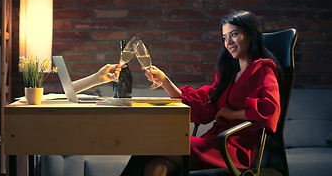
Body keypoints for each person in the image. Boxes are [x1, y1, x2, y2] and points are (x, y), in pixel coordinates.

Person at [120, 11, 282, 176]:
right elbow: (204, 108)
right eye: (225, 37)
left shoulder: (262, 68)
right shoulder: (228, 74)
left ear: (250, 34)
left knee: (153, 142)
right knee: (156, 166)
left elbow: (270, 111)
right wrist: (165, 82)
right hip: (212, 143)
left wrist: (232, 114)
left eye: (234, 35)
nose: (229, 42)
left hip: (233, 150)